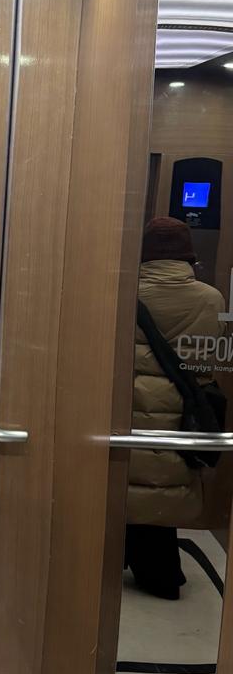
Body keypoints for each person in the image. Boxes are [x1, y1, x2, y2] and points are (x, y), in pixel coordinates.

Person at [125, 216, 226, 600]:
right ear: (188, 254)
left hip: (128, 408)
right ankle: (160, 575)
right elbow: (207, 360)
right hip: (181, 413)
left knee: (123, 483)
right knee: (161, 489)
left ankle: (109, 560)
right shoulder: (211, 298)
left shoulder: (124, 295)